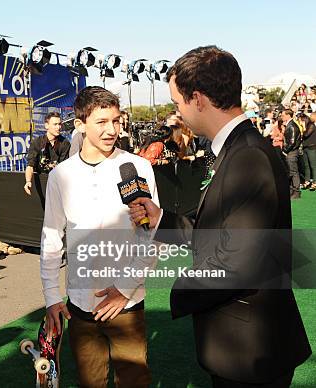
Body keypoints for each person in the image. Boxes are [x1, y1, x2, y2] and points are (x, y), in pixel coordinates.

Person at [129, 46, 311, 387]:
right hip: (244, 344)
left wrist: (176, 289)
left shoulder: (247, 156)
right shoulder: (237, 149)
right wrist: (161, 220)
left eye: (177, 103)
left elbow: (235, 265)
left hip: (251, 351)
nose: (177, 112)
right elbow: (215, 232)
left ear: (197, 99)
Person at [41, 86, 158, 387]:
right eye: (102, 122)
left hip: (127, 303)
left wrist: (124, 289)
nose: (112, 130)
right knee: (89, 383)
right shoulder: (60, 175)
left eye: (116, 121)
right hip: (79, 304)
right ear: (79, 125)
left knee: (134, 382)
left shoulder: (138, 167)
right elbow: (52, 236)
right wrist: (53, 296)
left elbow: (152, 237)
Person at [24, 112, 70, 195]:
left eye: (59, 124)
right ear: (46, 126)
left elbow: (65, 168)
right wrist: (28, 181)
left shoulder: (65, 143)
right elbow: (30, 165)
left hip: (58, 184)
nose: (58, 127)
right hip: (41, 182)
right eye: (55, 124)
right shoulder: (37, 142)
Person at [281, 108, 302, 199]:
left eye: (283, 115)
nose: (281, 117)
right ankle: (292, 190)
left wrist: (285, 151)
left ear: (288, 115)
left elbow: (292, 142)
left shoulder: (292, 126)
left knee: (293, 172)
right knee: (291, 171)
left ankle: (296, 192)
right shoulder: (290, 125)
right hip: (291, 151)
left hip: (292, 152)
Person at [300, 113, 316, 190]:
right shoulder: (307, 126)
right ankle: (307, 181)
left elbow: (306, 135)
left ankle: (314, 182)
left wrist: (303, 127)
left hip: (311, 147)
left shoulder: (312, 125)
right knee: (306, 166)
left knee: (313, 166)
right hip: (305, 147)